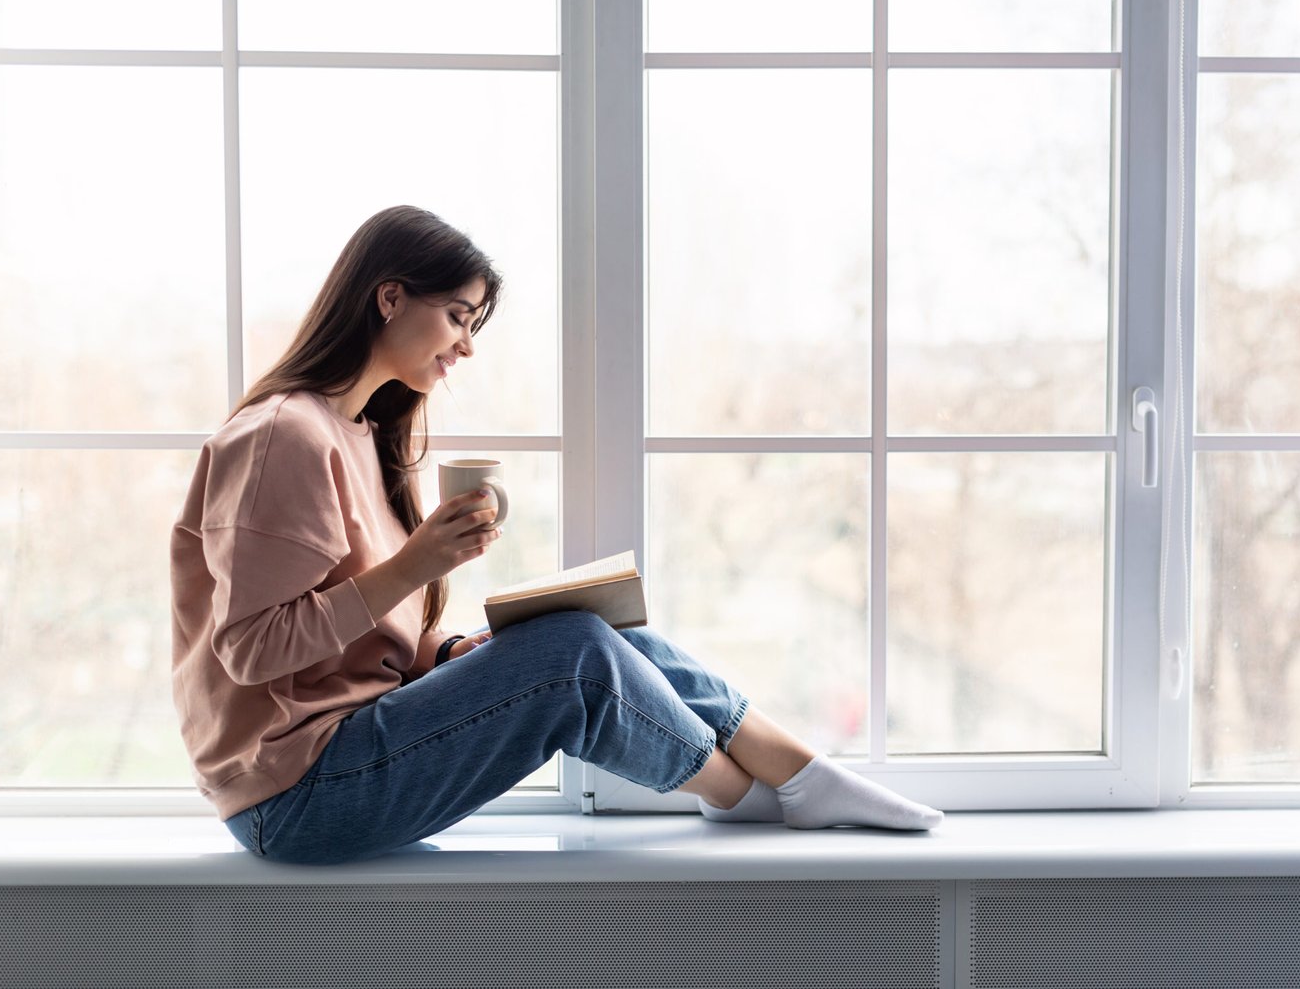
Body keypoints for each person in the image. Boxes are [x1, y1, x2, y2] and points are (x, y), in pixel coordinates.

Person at [170, 205, 943, 865]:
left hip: (343, 756)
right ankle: (742, 798)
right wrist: (415, 565)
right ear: (390, 298)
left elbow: (354, 648)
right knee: (569, 657)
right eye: (458, 318)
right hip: (296, 796)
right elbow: (251, 650)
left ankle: (800, 771)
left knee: (583, 623)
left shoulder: (361, 435)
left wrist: (442, 652)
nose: (467, 345)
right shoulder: (282, 438)